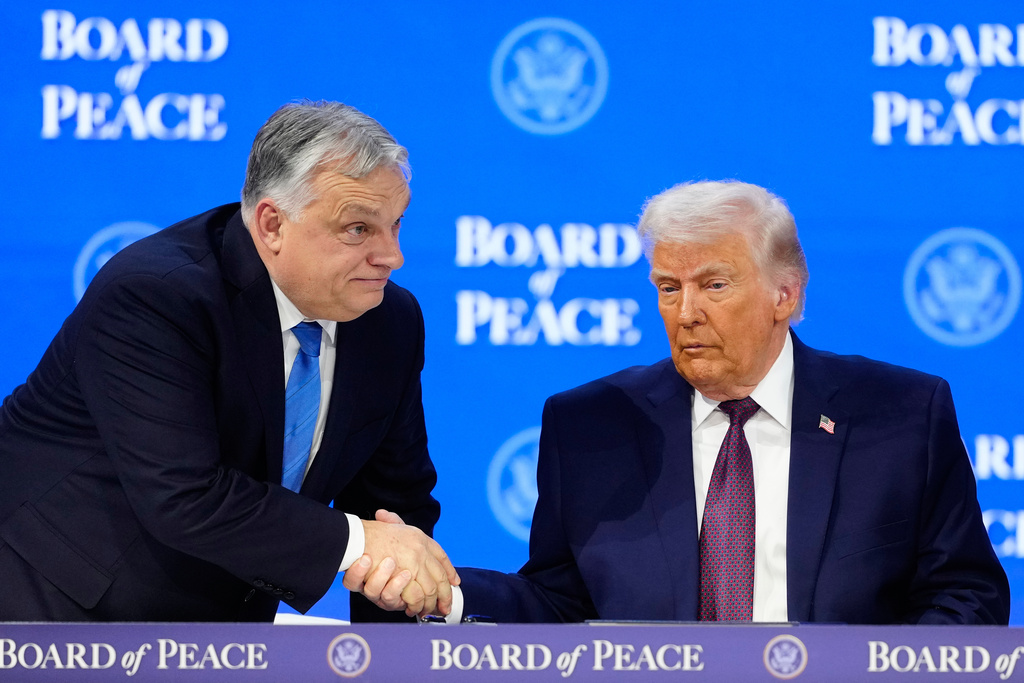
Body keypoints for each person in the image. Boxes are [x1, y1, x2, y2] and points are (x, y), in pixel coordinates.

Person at [352, 179, 1009, 624]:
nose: (685, 312)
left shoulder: (902, 414)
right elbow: (559, 604)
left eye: (714, 285)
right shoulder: (590, 425)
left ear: (785, 294)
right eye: (668, 287)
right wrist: (446, 592)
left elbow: (965, 592)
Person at [0, 100, 457, 622]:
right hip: (56, 602)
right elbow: (184, 494)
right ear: (272, 224)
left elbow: (394, 507)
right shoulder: (155, 295)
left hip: (224, 624)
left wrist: (396, 639)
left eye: (396, 224)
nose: (392, 256)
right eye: (358, 229)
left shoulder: (388, 320)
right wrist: (359, 542)